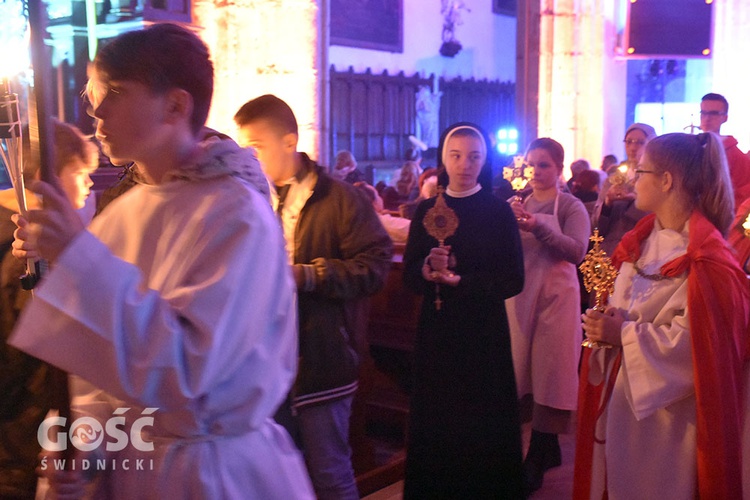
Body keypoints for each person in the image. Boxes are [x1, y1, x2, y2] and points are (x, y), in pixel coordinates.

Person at [10, 23, 313, 499]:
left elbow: (186, 372)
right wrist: (83, 451)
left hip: (210, 473)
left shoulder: (237, 214)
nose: (96, 110)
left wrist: (78, 258)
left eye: (115, 92)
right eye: (94, 94)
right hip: (132, 468)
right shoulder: (124, 211)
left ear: (175, 105)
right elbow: (98, 378)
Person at [234, 94, 393, 500]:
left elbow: (375, 265)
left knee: (329, 474)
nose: (249, 157)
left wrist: (308, 275)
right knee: (275, 478)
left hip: (322, 358)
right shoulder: (252, 198)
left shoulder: (339, 198)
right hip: (265, 362)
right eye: (244, 148)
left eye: (256, 147)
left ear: (289, 142)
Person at [576, 132, 750, 499]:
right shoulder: (640, 241)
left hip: (669, 424)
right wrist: (609, 319)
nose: (634, 179)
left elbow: (699, 352)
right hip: (625, 400)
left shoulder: (709, 261)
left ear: (667, 180)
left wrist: (621, 332)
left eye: (642, 171)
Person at [402, 122, 525, 498]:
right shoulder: (426, 209)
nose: (464, 164)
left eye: (473, 156)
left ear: (484, 160)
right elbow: (410, 275)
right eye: (455, 156)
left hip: (482, 334)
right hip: (438, 332)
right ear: (443, 158)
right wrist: (426, 270)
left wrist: (462, 282)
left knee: (480, 422)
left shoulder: (498, 212)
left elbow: (513, 280)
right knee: (439, 420)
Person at [1, 120, 98, 499]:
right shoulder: (28, 255)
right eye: (80, 172)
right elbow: (26, 356)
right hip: (24, 438)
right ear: (45, 180)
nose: (89, 183)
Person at [506, 138, 590, 495]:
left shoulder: (571, 206)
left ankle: (539, 454)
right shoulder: (517, 203)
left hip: (557, 298)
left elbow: (577, 251)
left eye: (544, 165)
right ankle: (544, 447)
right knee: (521, 370)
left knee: (550, 371)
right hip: (522, 296)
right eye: (532, 164)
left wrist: (536, 228)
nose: (536, 172)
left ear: (559, 168)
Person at [593, 123, 656, 255]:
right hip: (610, 250)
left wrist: (636, 200)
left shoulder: (655, 179)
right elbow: (596, 226)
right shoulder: (612, 180)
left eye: (640, 142)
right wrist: (607, 203)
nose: (633, 147)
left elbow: (658, 220)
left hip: (641, 250)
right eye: (629, 142)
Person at [699, 92, 750, 210]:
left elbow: (743, 196)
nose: (707, 118)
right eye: (703, 113)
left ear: (725, 118)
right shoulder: (691, 148)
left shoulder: (737, 156)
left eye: (714, 113)